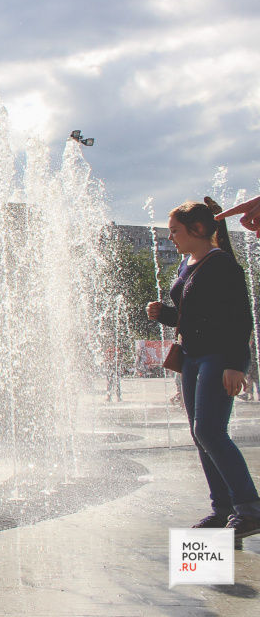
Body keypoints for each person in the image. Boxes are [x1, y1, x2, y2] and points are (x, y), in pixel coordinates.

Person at [147, 198, 260, 549]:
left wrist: (235, 364)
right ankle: (223, 508)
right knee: (201, 435)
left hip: (217, 356)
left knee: (209, 430)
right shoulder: (189, 264)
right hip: (192, 358)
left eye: (175, 231)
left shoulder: (222, 264)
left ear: (197, 229)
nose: (171, 238)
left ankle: (250, 507)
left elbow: (241, 317)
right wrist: (164, 314)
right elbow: (192, 314)